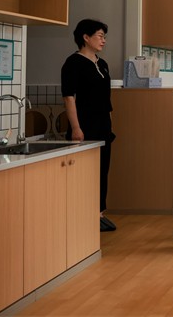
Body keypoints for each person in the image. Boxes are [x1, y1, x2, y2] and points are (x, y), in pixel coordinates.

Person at [61, 19, 117, 233]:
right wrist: (76, 127)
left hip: (103, 126)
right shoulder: (73, 63)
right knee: (85, 173)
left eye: (104, 36)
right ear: (85, 37)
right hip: (84, 125)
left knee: (102, 170)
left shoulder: (102, 64)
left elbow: (106, 98)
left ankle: (99, 212)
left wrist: (110, 121)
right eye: (100, 36)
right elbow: (69, 97)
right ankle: (84, 214)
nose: (103, 40)